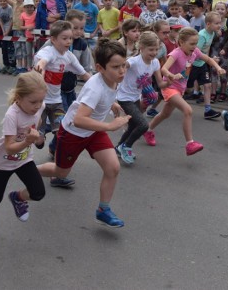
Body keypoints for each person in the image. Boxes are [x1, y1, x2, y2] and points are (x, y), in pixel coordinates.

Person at [38, 39, 131, 228]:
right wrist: (111, 126)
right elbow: (79, 119)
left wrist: (112, 104)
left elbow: (105, 95)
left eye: (123, 65)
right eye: (116, 67)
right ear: (100, 68)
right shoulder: (94, 88)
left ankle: (103, 210)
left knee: (112, 167)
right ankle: (25, 170)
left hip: (93, 131)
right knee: (60, 171)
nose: (122, 71)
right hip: (73, 133)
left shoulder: (113, 79)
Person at [0, 72, 48, 242]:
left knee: (38, 193)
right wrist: (27, 141)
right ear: (18, 97)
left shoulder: (39, 107)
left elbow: (37, 122)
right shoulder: (11, 115)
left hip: (24, 159)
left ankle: (17, 198)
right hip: (4, 162)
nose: (38, 106)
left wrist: (38, 134)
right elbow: (9, 148)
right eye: (33, 102)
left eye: (41, 101)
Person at [143, 27, 225, 155]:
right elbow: (164, 69)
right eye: (191, 43)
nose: (194, 46)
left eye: (196, 43)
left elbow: (208, 59)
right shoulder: (176, 53)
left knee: (165, 114)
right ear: (181, 42)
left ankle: (147, 130)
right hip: (169, 87)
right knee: (187, 110)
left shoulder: (195, 52)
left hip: (180, 88)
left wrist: (218, 68)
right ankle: (190, 143)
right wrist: (172, 76)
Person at [34, 21, 91, 152]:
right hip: (40, 103)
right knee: (38, 140)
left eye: (70, 38)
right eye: (64, 38)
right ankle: (38, 137)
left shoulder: (69, 56)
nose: (68, 41)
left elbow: (83, 73)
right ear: (53, 39)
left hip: (56, 102)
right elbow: (43, 60)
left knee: (62, 131)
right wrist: (41, 67)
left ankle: (57, 154)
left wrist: (100, 84)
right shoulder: (49, 51)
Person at [115, 31, 168, 164]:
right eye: (151, 49)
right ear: (141, 48)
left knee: (133, 125)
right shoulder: (134, 61)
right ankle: (126, 147)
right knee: (143, 125)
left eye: (157, 49)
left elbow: (161, 83)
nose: (154, 52)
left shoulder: (155, 63)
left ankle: (118, 147)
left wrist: (171, 81)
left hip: (135, 98)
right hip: (124, 97)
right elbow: (122, 66)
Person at [187, 12, 222, 119]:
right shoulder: (202, 35)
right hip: (193, 65)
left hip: (202, 65)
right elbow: (194, 53)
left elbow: (204, 51)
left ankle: (208, 110)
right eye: (216, 23)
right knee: (185, 87)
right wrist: (210, 59)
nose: (219, 25)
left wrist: (209, 59)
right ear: (208, 24)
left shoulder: (212, 33)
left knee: (207, 85)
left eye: (219, 23)